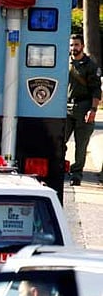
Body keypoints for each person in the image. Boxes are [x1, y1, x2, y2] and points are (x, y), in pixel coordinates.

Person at [65, 34, 101, 186]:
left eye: (77, 45)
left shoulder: (91, 66)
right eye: (72, 45)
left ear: (83, 46)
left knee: (81, 145)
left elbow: (96, 90)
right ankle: (62, 167)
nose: (74, 48)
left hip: (84, 107)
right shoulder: (64, 62)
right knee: (60, 141)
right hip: (66, 108)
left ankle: (76, 174)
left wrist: (92, 110)